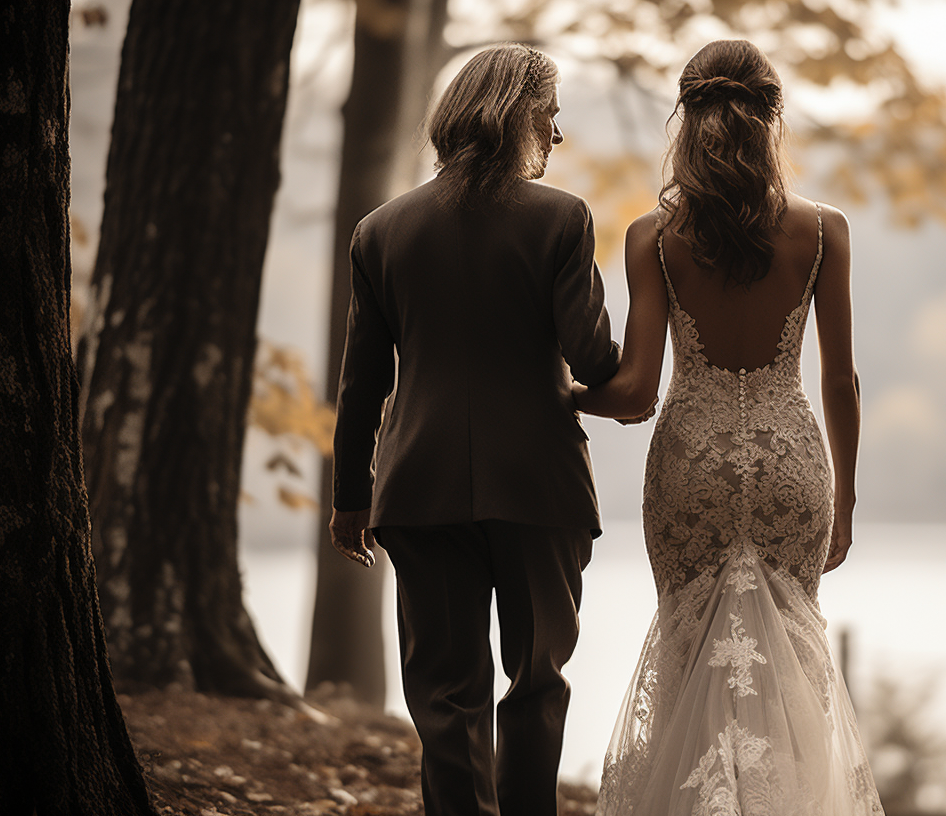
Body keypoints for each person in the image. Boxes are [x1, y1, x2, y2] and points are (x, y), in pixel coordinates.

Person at [574, 40, 883, 814]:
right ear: (772, 120)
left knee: (691, 659)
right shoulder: (824, 231)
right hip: (791, 468)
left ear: (687, 118)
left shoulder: (652, 235)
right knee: (788, 671)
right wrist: (845, 499)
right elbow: (839, 380)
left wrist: (560, 394)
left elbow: (637, 385)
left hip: (690, 468)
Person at [327, 44, 621, 816]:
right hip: (539, 485)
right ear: (518, 114)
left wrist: (349, 496)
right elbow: (591, 356)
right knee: (536, 681)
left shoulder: (379, 231)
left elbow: (363, 383)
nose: (556, 138)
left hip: (418, 489)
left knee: (446, 697)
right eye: (551, 118)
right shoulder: (562, 218)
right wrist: (634, 371)